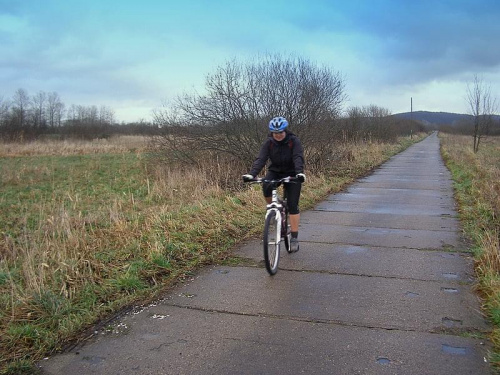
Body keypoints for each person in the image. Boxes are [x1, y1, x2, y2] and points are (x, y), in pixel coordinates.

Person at [243, 116, 306, 252]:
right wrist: (252, 174)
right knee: (266, 186)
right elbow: (261, 159)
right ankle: (275, 206)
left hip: (292, 174)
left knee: (293, 205)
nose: (278, 135)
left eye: (280, 132)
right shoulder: (269, 143)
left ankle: (294, 237)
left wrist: (299, 173)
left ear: (285, 131)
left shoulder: (293, 141)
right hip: (275, 171)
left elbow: (298, 157)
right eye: (275, 133)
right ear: (272, 133)